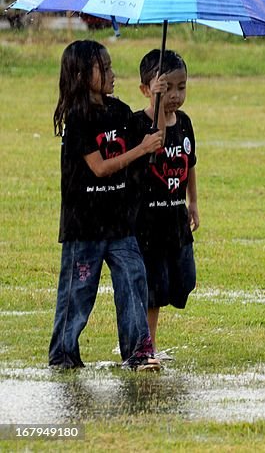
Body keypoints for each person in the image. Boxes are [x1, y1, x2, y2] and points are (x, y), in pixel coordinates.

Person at [49, 40, 164, 371]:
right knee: (78, 293)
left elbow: (146, 135)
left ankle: (138, 352)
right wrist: (140, 150)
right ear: (84, 75)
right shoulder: (78, 119)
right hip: (84, 227)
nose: (114, 74)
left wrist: (155, 98)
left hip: (118, 223)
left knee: (133, 278)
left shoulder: (119, 111)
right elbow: (99, 168)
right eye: (106, 68)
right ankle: (63, 354)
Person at [128, 49, 199, 355]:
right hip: (148, 223)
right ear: (146, 89)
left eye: (181, 87)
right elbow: (145, 150)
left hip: (176, 220)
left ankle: (148, 339)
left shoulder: (184, 122)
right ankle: (148, 344)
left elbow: (190, 162)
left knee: (184, 281)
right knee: (153, 288)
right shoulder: (137, 125)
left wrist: (193, 202)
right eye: (166, 88)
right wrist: (156, 111)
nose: (175, 95)